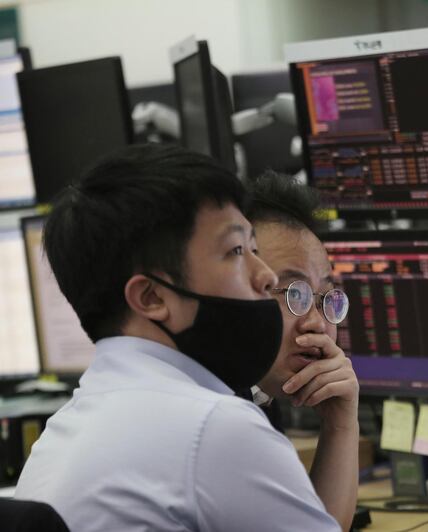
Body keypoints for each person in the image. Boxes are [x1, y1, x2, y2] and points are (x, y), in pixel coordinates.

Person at [14, 144, 342, 531]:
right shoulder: (215, 427)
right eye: (237, 250)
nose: (265, 276)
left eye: (255, 249)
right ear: (151, 297)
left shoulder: (69, 423)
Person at [243, 173, 359, 529]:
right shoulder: (219, 419)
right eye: (294, 293)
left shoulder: (256, 398)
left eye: (325, 297)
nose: (318, 325)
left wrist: (341, 423)